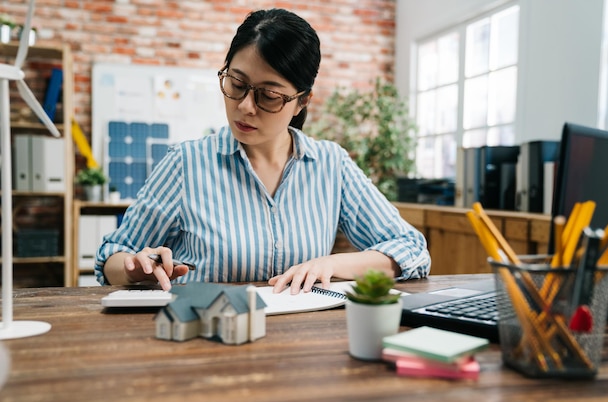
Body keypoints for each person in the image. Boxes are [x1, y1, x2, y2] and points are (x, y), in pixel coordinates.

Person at [95, 8, 431, 294]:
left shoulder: (331, 164)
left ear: (301, 101)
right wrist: (133, 269)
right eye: (236, 84)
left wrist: (330, 264)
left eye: (268, 96)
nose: (244, 106)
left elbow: (411, 249)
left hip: (299, 349)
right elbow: (112, 255)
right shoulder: (186, 163)